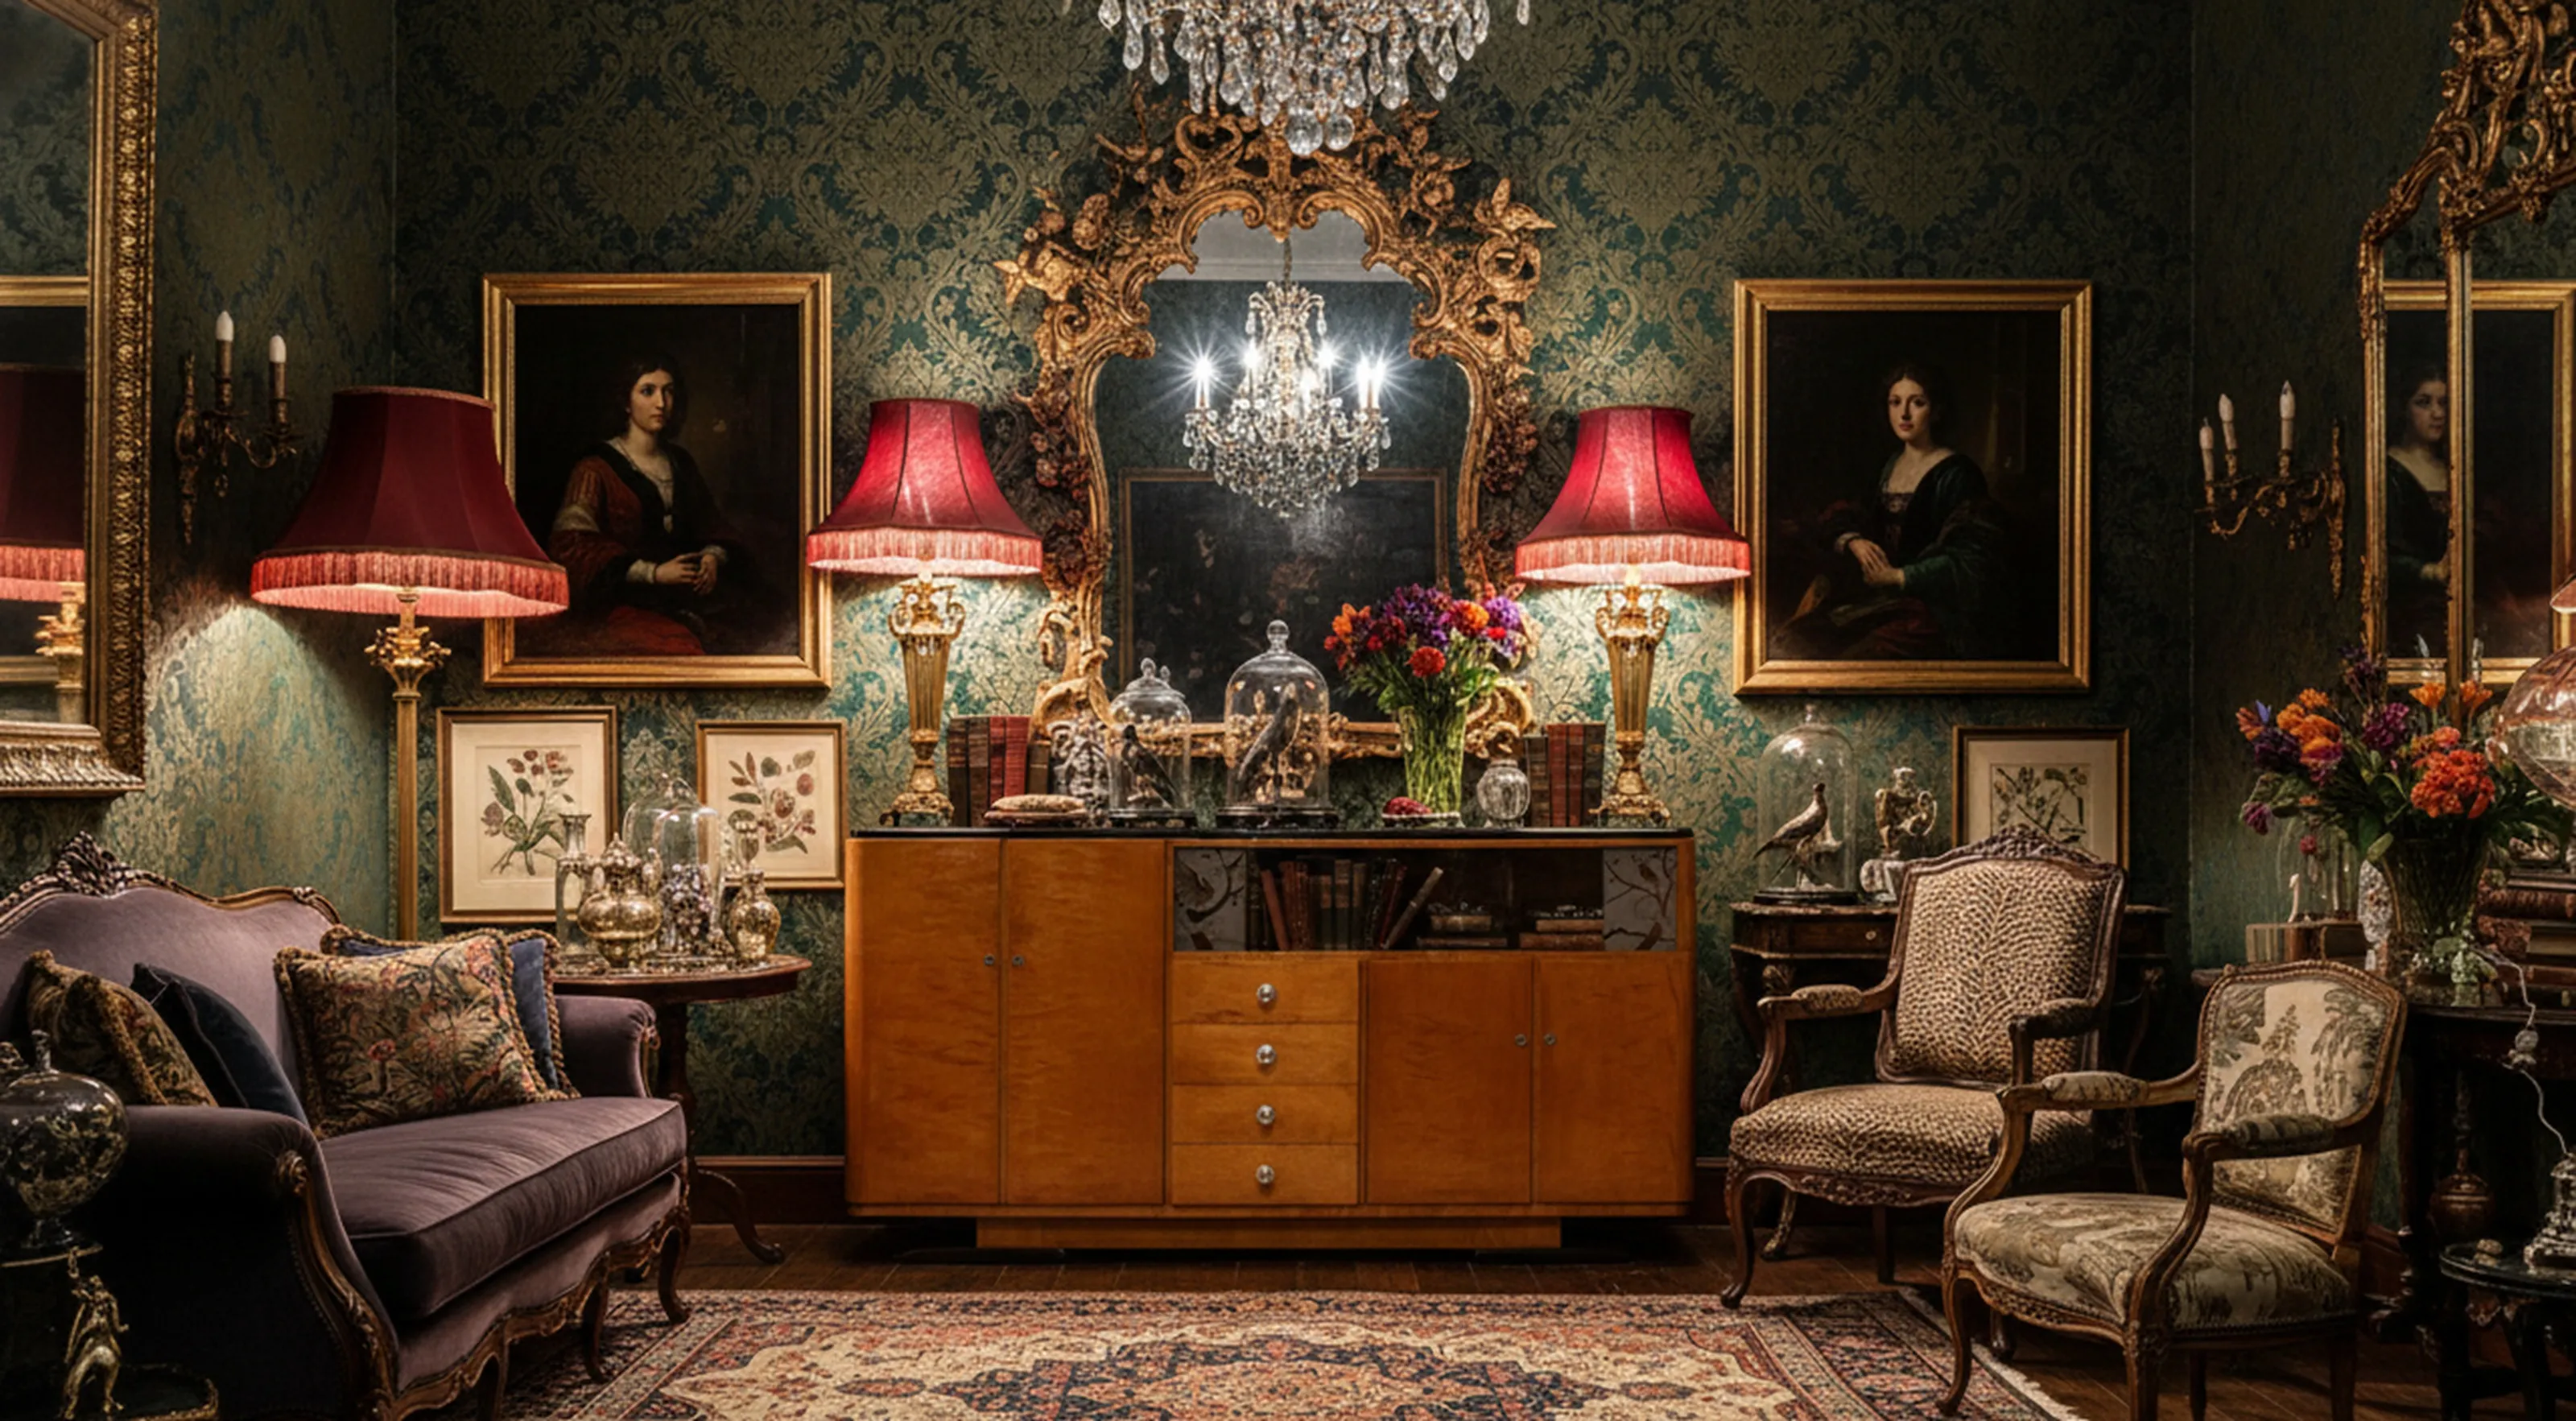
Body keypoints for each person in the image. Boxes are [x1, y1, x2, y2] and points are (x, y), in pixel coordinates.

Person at [1777, 361, 2011, 660]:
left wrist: (1900, 576)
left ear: (1936, 411)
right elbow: (1848, 514)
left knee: (1857, 656)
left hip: (1930, 609)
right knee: (1802, 636)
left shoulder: (1958, 474)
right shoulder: (1887, 467)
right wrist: (1854, 541)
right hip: (1879, 597)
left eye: (1918, 403)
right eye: (1895, 402)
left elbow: (1973, 560)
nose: (1904, 414)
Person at [530, 353, 752, 658]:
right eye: (648, 391)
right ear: (625, 400)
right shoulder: (595, 469)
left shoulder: (681, 463)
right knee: (680, 649)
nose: (661, 402)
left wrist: (713, 557)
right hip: (621, 604)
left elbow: (712, 524)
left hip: (686, 597)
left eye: (669, 390)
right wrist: (654, 573)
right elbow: (570, 547)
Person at [2384, 366, 2450, 655]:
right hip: (2410, 611)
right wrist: (2431, 572)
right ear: (2404, 408)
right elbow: (2384, 553)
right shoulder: (2391, 470)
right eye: (2424, 403)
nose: (2437, 413)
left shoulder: (2454, 470)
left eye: (2443, 403)